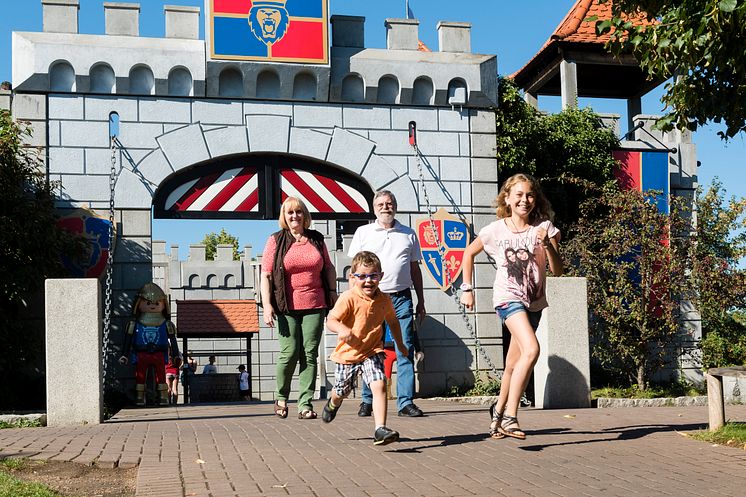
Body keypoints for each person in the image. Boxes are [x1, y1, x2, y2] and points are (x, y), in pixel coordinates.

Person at [460, 173, 563, 440]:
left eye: (529, 195)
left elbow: (558, 270)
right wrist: (467, 289)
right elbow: (468, 254)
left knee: (513, 365)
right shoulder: (495, 230)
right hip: (508, 298)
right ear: (507, 198)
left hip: (535, 301)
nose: (524, 200)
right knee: (532, 349)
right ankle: (511, 416)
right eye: (518, 195)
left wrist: (547, 245)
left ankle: (496, 415)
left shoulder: (544, 228)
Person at [349, 190, 426, 418]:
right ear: (374, 208)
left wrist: (421, 301)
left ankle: (405, 403)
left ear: (396, 206)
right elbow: (354, 272)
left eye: (389, 203)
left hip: (401, 298)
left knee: (405, 349)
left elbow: (414, 269)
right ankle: (367, 400)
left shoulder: (409, 234)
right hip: (371, 298)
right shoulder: (363, 232)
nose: (385, 207)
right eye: (381, 204)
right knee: (370, 350)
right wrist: (353, 301)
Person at [261, 196, 338, 420]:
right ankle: (281, 396)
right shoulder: (276, 240)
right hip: (285, 306)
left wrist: (332, 291)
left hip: (315, 303)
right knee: (289, 351)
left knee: (309, 354)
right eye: (289, 213)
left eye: (298, 212)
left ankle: (305, 403)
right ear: (284, 217)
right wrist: (267, 306)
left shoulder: (316, 239)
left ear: (305, 215)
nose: (294, 216)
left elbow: (329, 268)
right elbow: (266, 275)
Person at [321, 251, 408, 445]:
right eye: (362, 276)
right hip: (348, 354)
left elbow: (393, 322)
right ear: (353, 277)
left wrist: (400, 344)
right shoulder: (348, 297)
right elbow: (331, 320)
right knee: (342, 390)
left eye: (373, 276)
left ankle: (380, 429)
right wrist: (342, 329)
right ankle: (333, 402)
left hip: (372, 352)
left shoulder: (384, 300)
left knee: (379, 385)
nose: (368, 281)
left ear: (381, 276)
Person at [119, 283, 180, 406]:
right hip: (141, 354)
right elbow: (128, 340)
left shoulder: (167, 324)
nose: (152, 305)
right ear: (139, 304)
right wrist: (124, 355)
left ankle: (163, 397)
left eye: (157, 303)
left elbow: (173, 340)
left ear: (163, 304)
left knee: (161, 376)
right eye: (148, 303)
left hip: (159, 353)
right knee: (140, 377)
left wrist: (175, 354)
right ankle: (140, 398)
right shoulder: (134, 324)